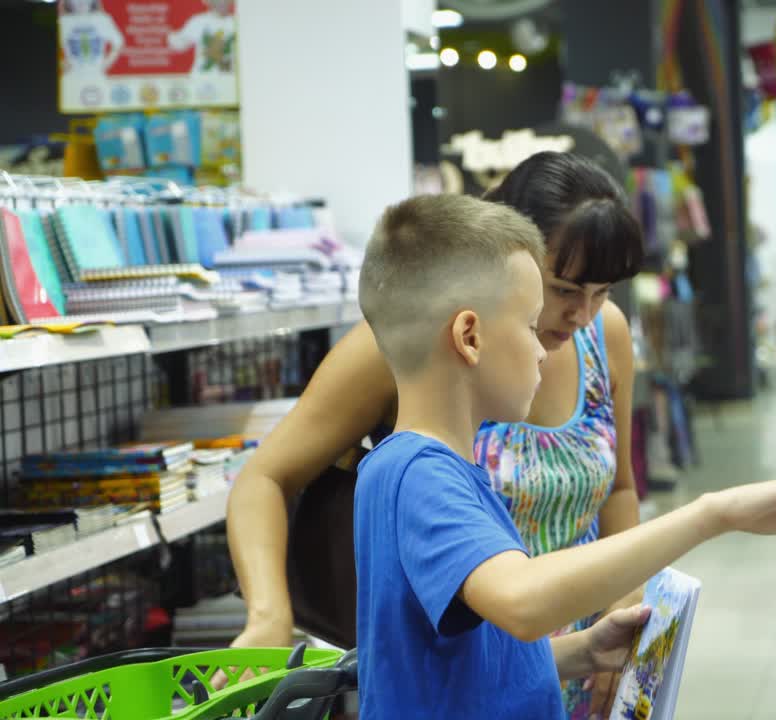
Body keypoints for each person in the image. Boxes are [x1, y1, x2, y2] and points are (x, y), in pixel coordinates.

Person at [354, 192, 776, 718]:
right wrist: (713, 514)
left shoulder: (411, 470)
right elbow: (522, 601)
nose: (544, 348)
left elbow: (457, 665)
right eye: (530, 326)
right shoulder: (422, 476)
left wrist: (583, 651)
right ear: (470, 336)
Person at [224, 152, 646, 717]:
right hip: (460, 677)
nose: (581, 314)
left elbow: (619, 488)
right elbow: (267, 476)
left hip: (577, 659)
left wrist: (626, 600)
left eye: (603, 291)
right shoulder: (412, 349)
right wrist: (268, 618)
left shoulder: (603, 336)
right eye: (564, 288)